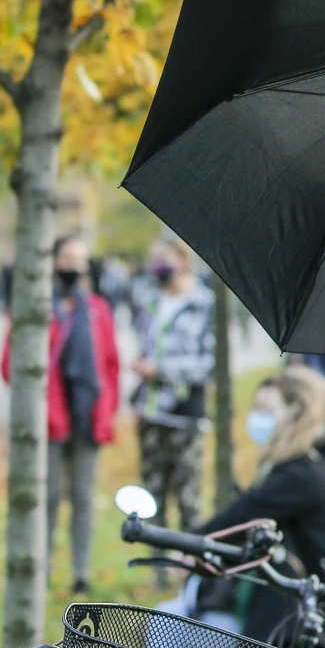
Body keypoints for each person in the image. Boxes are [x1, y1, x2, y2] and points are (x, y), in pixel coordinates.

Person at [192, 366, 325, 648]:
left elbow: (236, 520)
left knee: (169, 630)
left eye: (266, 409)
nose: (256, 418)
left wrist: (187, 545)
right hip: (323, 624)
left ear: (298, 412)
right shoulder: (323, 465)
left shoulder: (303, 474)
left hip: (314, 635)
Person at [1, 236, 121, 593]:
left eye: (79, 259)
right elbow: (9, 365)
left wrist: (107, 409)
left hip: (87, 419)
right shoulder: (33, 307)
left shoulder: (98, 309)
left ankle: (81, 572)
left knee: (82, 497)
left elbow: (111, 365)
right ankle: (42, 568)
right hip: (48, 422)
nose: (73, 265)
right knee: (48, 497)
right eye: (67, 257)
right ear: (53, 260)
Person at [133, 235, 215, 573]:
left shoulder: (203, 303)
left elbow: (209, 362)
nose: (159, 266)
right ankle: (158, 569)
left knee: (188, 496)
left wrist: (162, 369)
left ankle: (191, 568)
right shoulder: (148, 301)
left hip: (186, 413)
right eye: (154, 259)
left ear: (182, 260)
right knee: (152, 495)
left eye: (165, 258)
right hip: (151, 412)